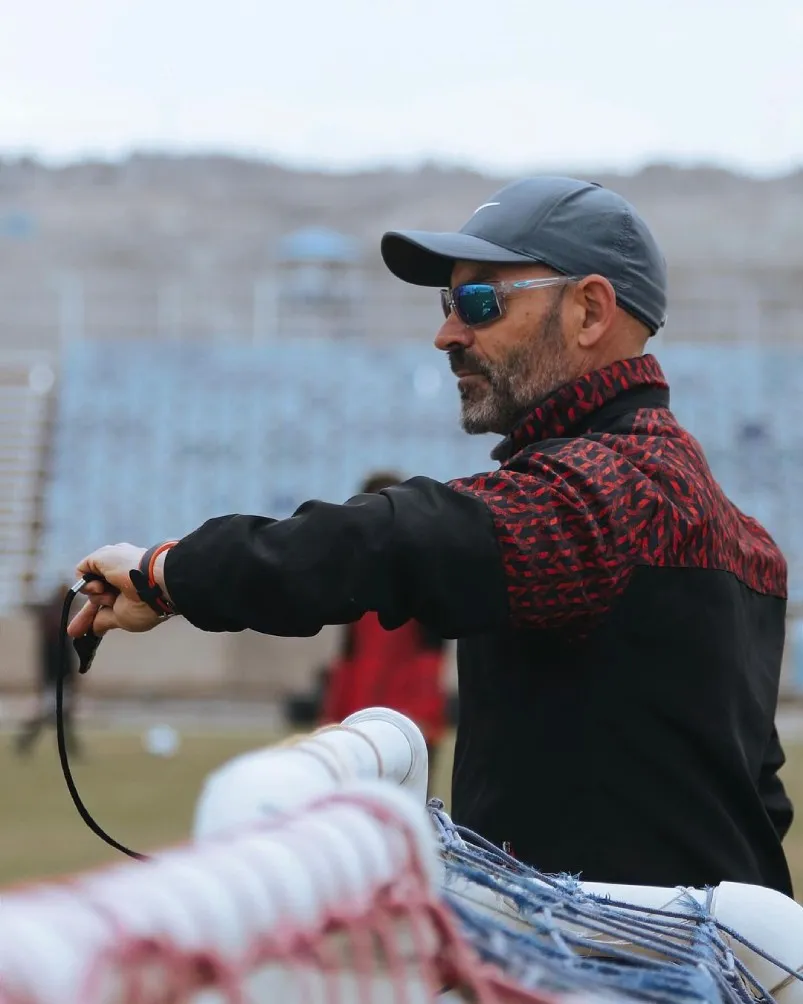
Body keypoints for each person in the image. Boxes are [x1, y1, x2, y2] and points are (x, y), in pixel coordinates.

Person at [68, 176, 794, 895]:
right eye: (449, 303)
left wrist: (169, 573)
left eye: (480, 301)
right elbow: (757, 802)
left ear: (589, 310)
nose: (446, 332)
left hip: (603, 974)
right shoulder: (746, 539)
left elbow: (395, 538)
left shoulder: (603, 489)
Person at [319, 471, 448, 783]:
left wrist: (423, 714)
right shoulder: (352, 575)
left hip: (409, 709)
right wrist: (333, 713)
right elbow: (348, 652)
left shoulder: (426, 570)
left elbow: (432, 650)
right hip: (360, 706)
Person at [15, 581, 82, 757]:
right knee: (52, 714)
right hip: (55, 680)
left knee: (61, 715)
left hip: (59, 679)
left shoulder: (59, 633)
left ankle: (71, 749)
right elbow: (54, 660)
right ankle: (25, 741)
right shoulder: (54, 636)